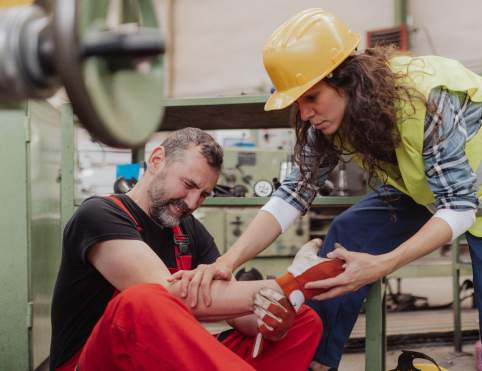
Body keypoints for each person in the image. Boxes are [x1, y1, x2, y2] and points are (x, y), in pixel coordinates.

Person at [172, 9, 482, 371]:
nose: (304, 113)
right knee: (349, 233)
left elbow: (460, 206)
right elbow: (292, 195)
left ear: (346, 81)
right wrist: (228, 262)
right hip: (424, 183)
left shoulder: (426, 98)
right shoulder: (329, 117)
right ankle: (316, 358)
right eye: (298, 101)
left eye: (311, 97)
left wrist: (383, 264)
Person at [49, 127, 343, 371]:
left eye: (203, 194)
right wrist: (289, 284)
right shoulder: (99, 215)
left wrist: (270, 316)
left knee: (303, 322)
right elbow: (167, 295)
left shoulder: (189, 231)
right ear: (156, 160)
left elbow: (234, 311)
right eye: (188, 184)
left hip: (155, 358)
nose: (191, 203)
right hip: (96, 362)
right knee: (140, 302)